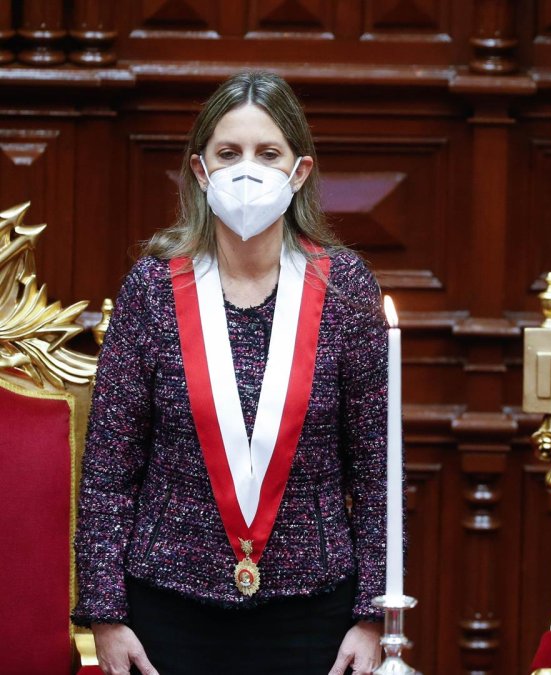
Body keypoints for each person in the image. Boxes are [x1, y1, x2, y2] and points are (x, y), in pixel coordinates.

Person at [72, 71, 387, 675]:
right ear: (201, 171)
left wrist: (373, 616)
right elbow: (109, 468)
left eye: (268, 154)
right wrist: (106, 618)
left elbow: (377, 469)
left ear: (300, 173)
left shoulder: (344, 289)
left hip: (314, 611)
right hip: (166, 606)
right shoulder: (152, 289)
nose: (249, 169)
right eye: (229, 154)